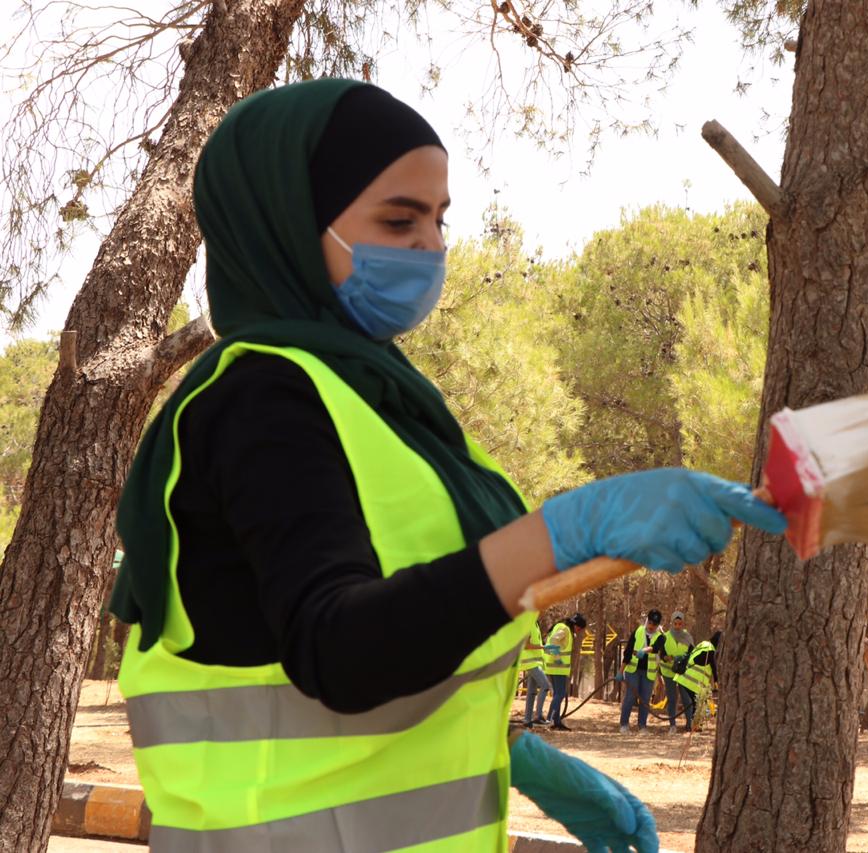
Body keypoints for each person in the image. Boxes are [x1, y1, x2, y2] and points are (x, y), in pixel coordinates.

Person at [107, 78, 787, 852]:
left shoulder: (380, 403)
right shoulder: (264, 400)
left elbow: (393, 644)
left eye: (439, 219)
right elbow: (338, 648)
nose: (431, 246)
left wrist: (508, 752)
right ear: (290, 224)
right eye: (400, 219)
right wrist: (564, 531)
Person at [619, 609, 662, 733]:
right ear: (647, 621)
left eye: (654, 624)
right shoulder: (638, 632)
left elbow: (655, 648)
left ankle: (642, 726)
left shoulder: (660, 637)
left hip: (648, 673)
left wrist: (644, 651)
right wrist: (620, 671)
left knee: (645, 699)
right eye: (650, 623)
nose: (651, 626)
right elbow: (627, 652)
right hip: (633, 670)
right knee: (630, 697)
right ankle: (624, 724)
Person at [543, 612, 586, 731]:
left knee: (558, 694)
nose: (579, 631)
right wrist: (557, 658)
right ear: (577, 626)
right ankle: (549, 720)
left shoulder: (562, 627)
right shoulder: (565, 629)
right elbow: (553, 641)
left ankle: (556, 722)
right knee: (560, 694)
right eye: (580, 629)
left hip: (554, 667)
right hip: (558, 668)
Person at [654, 610, 694, 733]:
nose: (677, 626)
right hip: (668, 672)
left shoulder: (688, 637)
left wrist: (683, 660)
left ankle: (689, 723)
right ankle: (672, 725)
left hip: (683, 672)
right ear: (672, 623)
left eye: (680, 624)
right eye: (675, 624)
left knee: (686, 698)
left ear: (683, 624)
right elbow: (661, 654)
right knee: (672, 698)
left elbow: (692, 653)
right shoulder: (665, 637)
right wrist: (668, 658)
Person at [673, 631, 721, 733]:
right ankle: (695, 726)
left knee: (697, 703)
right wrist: (717, 681)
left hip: (684, 677)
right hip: (691, 681)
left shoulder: (703, 644)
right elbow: (713, 664)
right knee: (699, 704)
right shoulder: (710, 649)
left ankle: (694, 725)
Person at [520, 618, 551, 728]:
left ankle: (527, 720)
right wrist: (543, 647)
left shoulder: (534, 623)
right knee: (545, 686)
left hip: (534, 662)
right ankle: (538, 716)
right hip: (530, 662)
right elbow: (526, 645)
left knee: (531, 692)